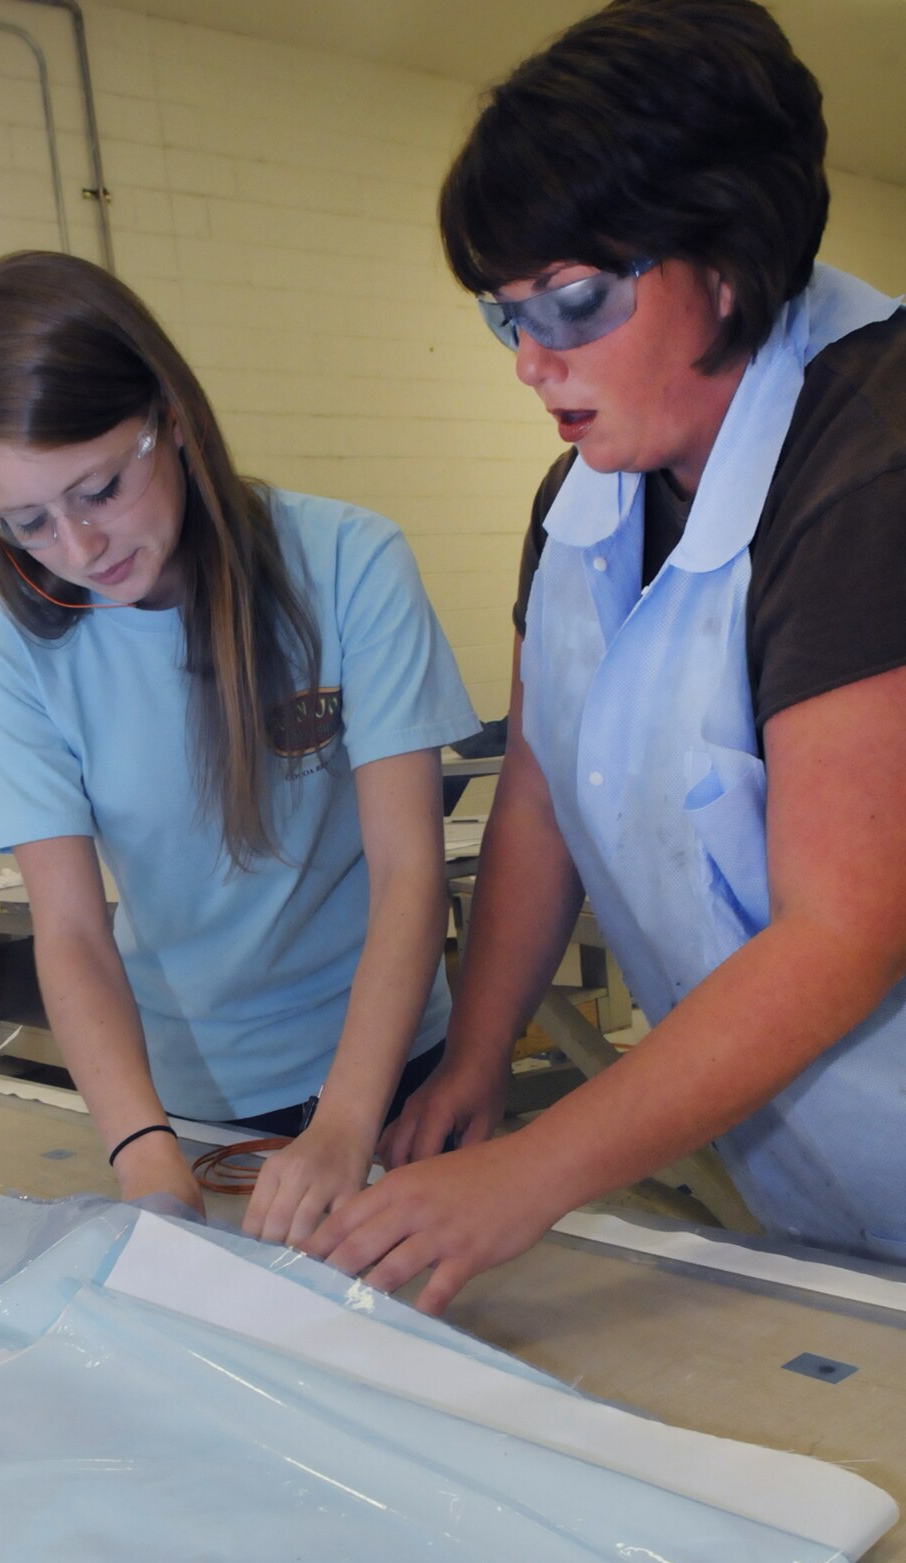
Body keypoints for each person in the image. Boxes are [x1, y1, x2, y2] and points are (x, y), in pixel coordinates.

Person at [310, 0, 906, 1311]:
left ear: (731, 257)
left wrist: (529, 1173)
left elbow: (845, 931)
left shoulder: (872, 460)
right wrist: (478, 1055)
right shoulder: (583, 499)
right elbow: (540, 791)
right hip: (825, 1179)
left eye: (574, 303)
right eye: (504, 314)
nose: (532, 363)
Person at [0, 251, 477, 1239]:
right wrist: (143, 1153)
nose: (79, 547)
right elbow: (70, 930)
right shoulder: (9, 648)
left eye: (98, 488)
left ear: (170, 420)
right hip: (187, 1100)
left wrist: (348, 1120)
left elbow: (407, 869)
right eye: (26, 522)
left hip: (390, 1071)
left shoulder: (348, 563)